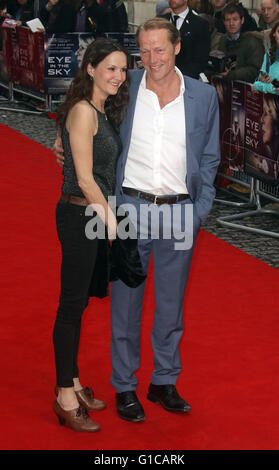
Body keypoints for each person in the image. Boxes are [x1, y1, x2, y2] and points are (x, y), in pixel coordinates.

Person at [54, 17, 220, 423]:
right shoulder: (124, 86)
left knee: (171, 308)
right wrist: (61, 134)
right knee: (125, 305)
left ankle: (163, 381)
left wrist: (198, 213)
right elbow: (83, 103)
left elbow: (212, 157)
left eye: (159, 49)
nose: (151, 58)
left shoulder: (203, 96)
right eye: (143, 50)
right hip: (126, 209)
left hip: (181, 210)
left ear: (177, 47)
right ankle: (125, 386)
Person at [52, 37, 130, 432]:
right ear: (91, 69)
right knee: (70, 304)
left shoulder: (101, 108)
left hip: (93, 216)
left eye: (122, 68)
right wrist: (114, 224)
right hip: (81, 215)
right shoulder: (84, 111)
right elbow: (84, 178)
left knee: (80, 301)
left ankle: (75, 381)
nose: (118, 76)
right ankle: (64, 394)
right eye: (110, 68)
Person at [160, 0, 210, 79]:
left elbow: (200, 60)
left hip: (186, 79)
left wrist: (176, 76)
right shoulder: (160, 21)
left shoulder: (200, 24)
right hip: (160, 77)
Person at [217, 3, 264, 82]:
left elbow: (255, 70)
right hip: (226, 83)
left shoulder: (253, 41)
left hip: (246, 87)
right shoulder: (223, 40)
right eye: (228, 20)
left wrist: (232, 74)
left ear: (242, 20)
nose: (231, 24)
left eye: (235, 19)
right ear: (224, 22)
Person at [254, 21, 279, 94]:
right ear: (274, 34)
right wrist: (261, 80)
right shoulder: (268, 55)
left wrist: (257, 86)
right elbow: (260, 78)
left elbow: (275, 90)